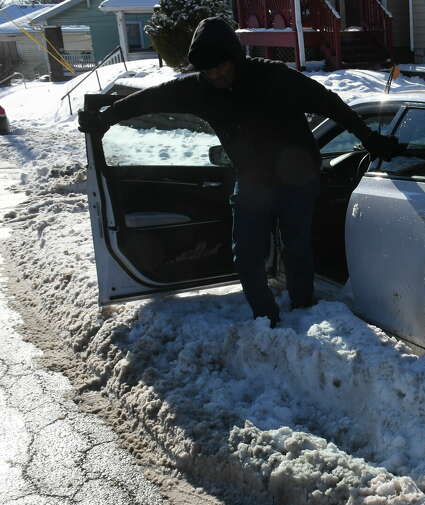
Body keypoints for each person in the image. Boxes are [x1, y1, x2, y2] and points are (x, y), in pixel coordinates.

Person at [78, 17, 399, 327]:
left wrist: (369, 138)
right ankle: (265, 317)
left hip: (297, 177)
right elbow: (150, 99)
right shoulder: (198, 89)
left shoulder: (275, 77)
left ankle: (302, 307)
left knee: (297, 245)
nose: (216, 74)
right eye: (208, 69)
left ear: (235, 57)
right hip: (252, 179)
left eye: (221, 65)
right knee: (245, 253)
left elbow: (329, 103)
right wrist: (106, 117)